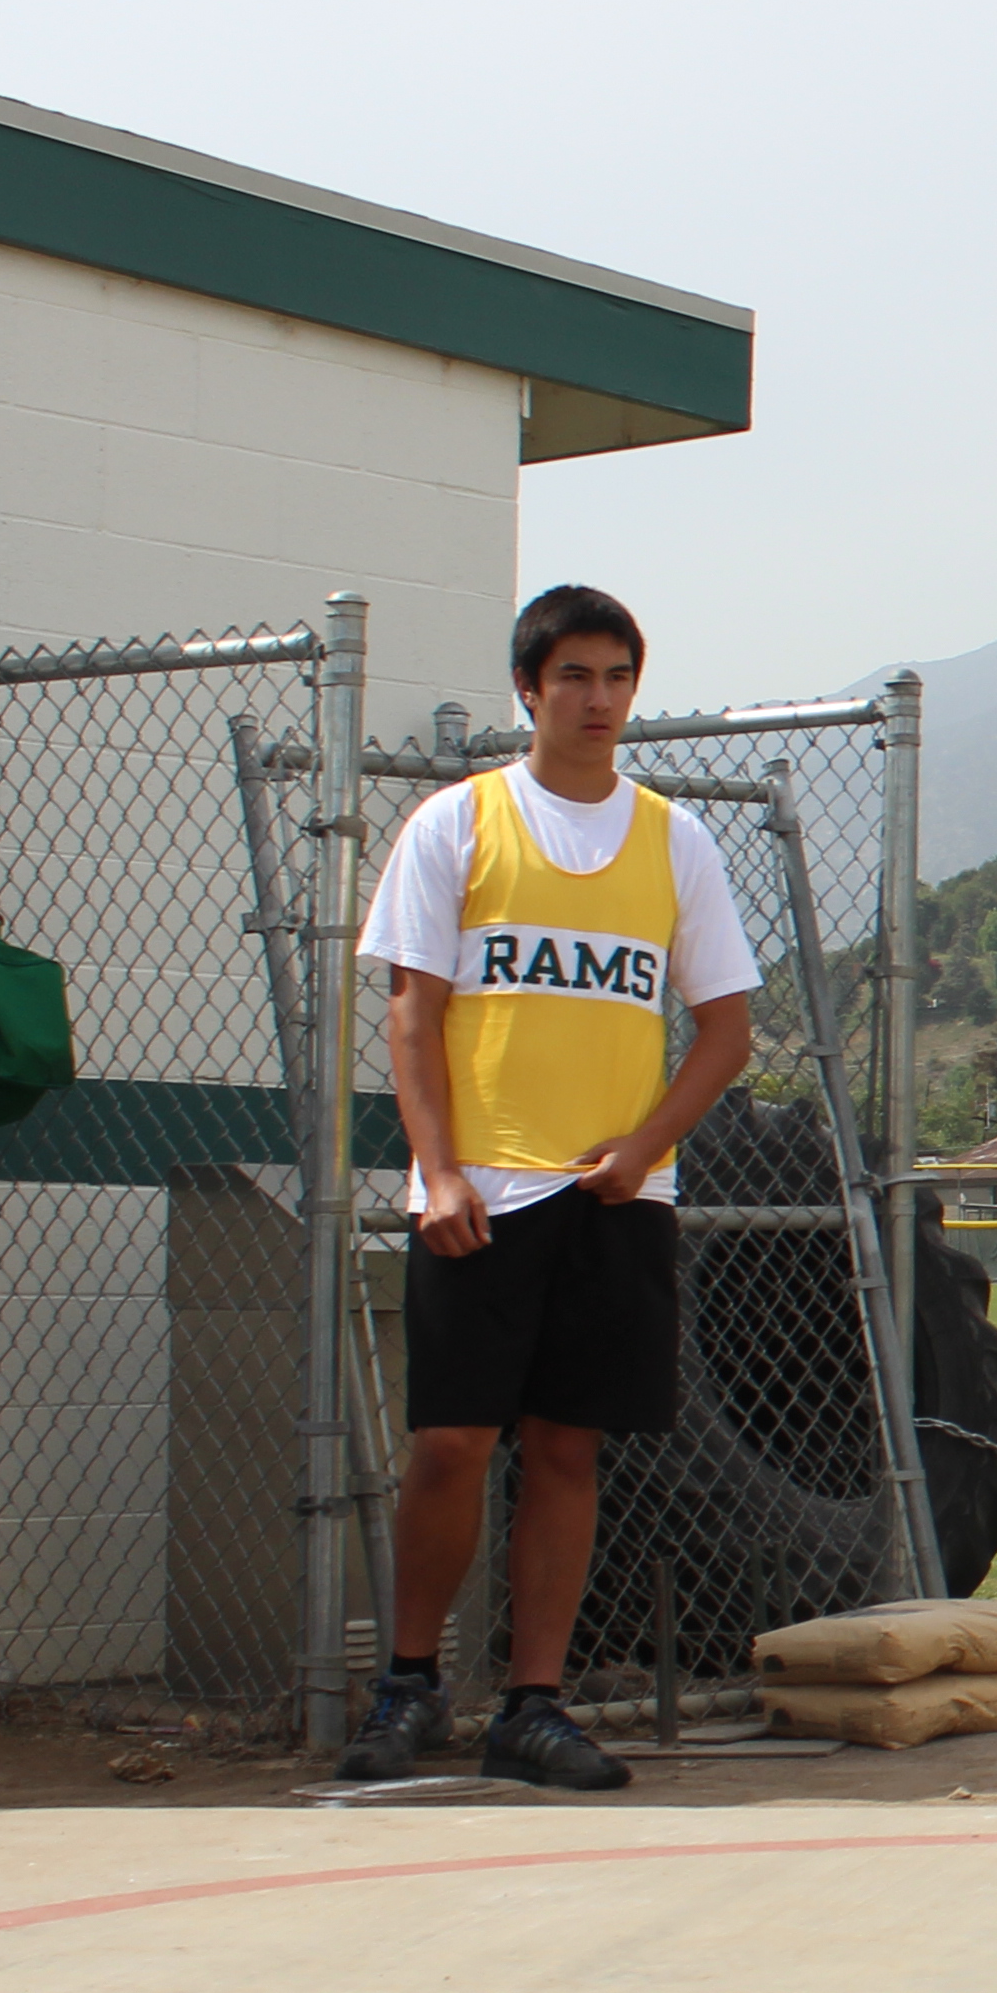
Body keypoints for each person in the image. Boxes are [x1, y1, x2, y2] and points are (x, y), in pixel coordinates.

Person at [343, 585, 761, 1787]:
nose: (598, 699)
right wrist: (435, 1172)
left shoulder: (674, 839)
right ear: (529, 688)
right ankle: (410, 1687)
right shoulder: (458, 824)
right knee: (452, 1444)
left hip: (614, 1202)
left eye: (617, 676)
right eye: (574, 675)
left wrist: (643, 1150)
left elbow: (726, 1031)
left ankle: (534, 1704)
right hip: (480, 1194)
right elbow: (412, 1015)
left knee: (567, 1449)